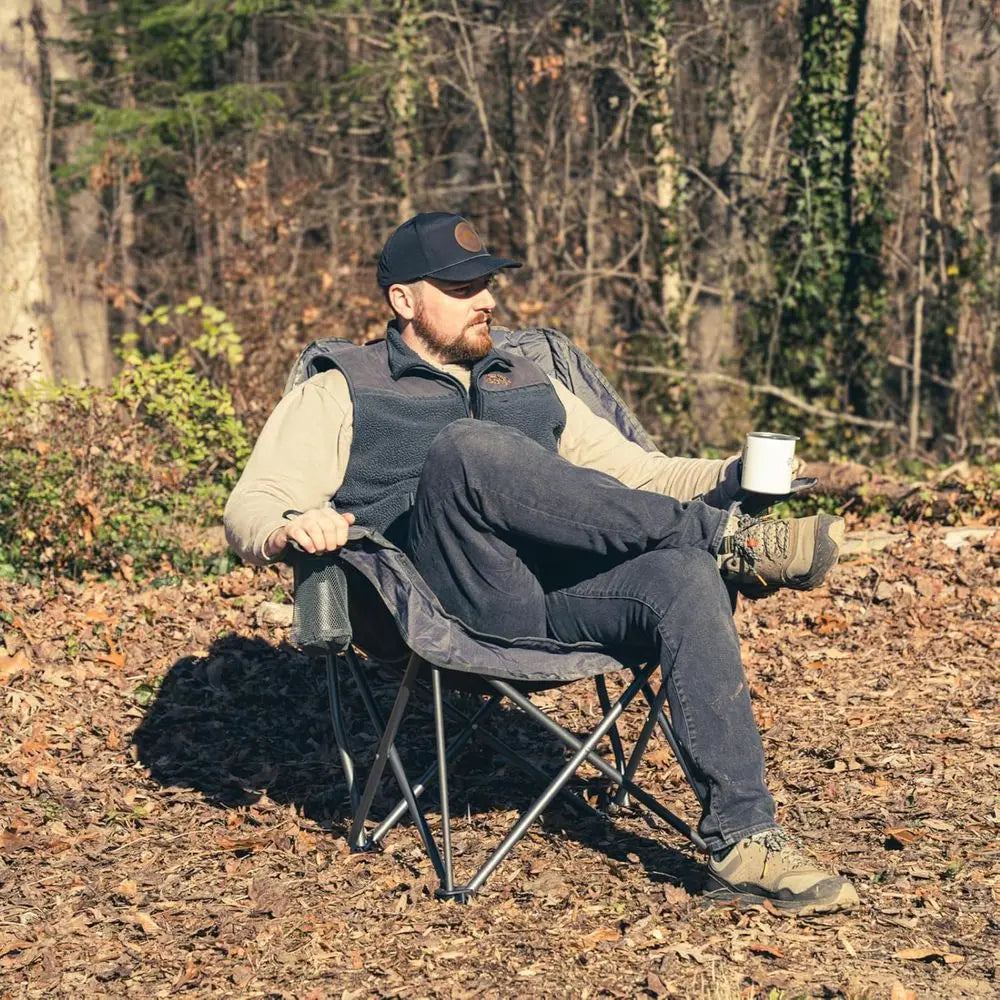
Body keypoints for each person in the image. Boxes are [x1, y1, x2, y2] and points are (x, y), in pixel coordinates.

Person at [224, 211, 859, 914]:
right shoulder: (344, 387)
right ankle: (723, 538)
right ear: (403, 299)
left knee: (683, 577)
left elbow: (638, 474)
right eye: (462, 288)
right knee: (467, 449)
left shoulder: (525, 380)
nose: (486, 300)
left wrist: (733, 474)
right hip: (434, 609)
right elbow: (254, 502)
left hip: (547, 600)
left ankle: (744, 840)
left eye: (487, 284)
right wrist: (290, 526)